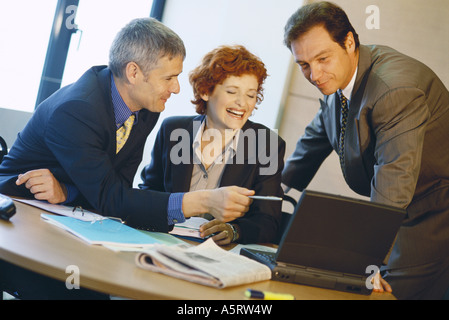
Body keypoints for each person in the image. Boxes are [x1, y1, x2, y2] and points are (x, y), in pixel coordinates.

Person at [0, 18, 255, 233]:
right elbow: (112, 197)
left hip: (68, 213)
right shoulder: (78, 110)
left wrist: (67, 191)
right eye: (169, 78)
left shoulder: (145, 108)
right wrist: (201, 201)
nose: (176, 88)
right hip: (19, 208)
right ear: (133, 73)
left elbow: (117, 188)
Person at [281, 1, 449, 299]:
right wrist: (265, 194)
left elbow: (393, 183)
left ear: (349, 42)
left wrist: (367, 263)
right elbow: (309, 147)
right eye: (304, 65)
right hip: (400, 208)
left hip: (434, 210)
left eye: (322, 59)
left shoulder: (394, 89)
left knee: (383, 292)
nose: (315, 75)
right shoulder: (340, 81)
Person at [139, 45, 285, 245]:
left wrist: (234, 230)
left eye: (251, 95)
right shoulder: (173, 130)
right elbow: (148, 195)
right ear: (206, 91)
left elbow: (269, 222)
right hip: (163, 242)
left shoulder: (265, 143)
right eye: (232, 91)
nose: (242, 103)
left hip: (219, 253)